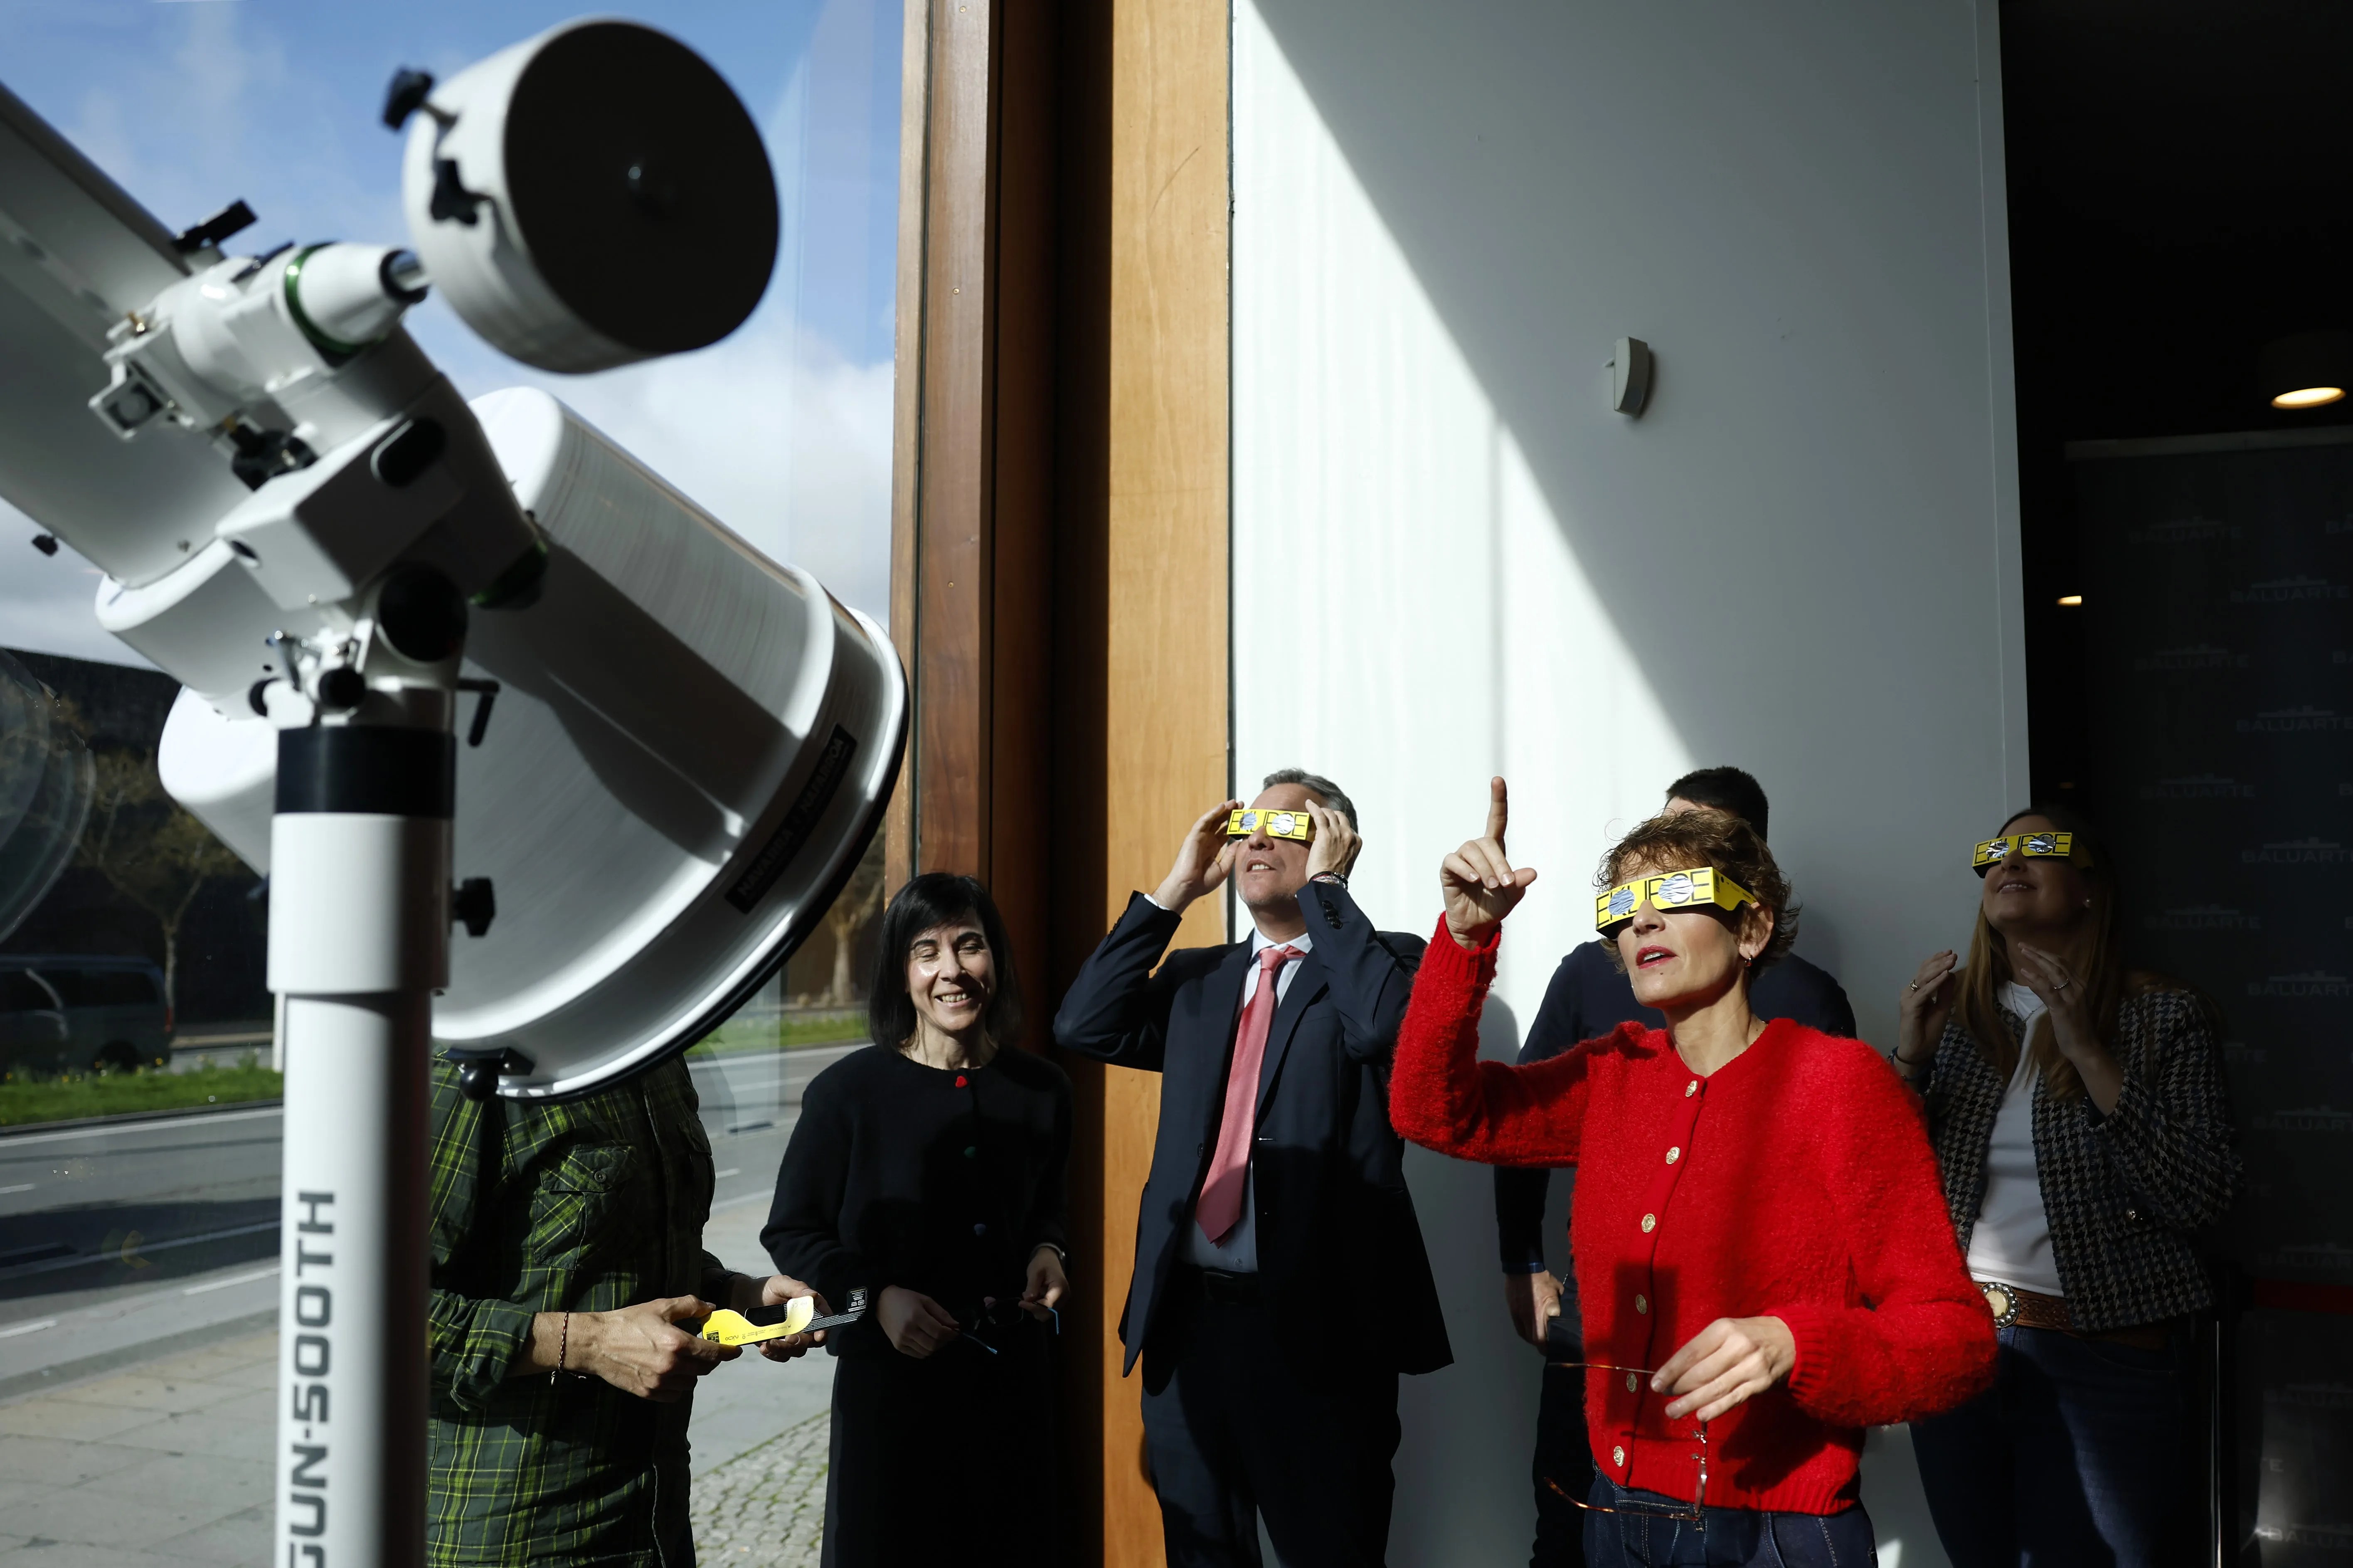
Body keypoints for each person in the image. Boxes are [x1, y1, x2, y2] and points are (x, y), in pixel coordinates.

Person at [1391, 780, 1993, 1566]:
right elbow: (1434, 1111)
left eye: (1675, 892)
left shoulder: (1840, 1083)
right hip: (1615, 1513)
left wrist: (1796, 1343)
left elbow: (1956, 1338)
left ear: (1752, 926)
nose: (1641, 916)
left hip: (1778, 1534)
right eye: (1622, 904)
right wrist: (1465, 941)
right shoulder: (1612, 1073)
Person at [1054, 768, 1450, 1568]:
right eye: (1246, 827)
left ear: (1336, 845)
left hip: (1320, 1338)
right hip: (1188, 1331)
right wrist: (1172, 891)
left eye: (1289, 829)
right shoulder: (1199, 979)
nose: (1257, 839)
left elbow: (1379, 1034)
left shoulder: (1386, 965)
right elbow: (1083, 1023)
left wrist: (1332, 894)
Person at [1493, 767, 1855, 1568]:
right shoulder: (1593, 973)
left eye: (1690, 868)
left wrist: (1805, 1339)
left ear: (1749, 887)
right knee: (1568, 1523)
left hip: (1750, 1363)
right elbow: (1485, 1118)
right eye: (1637, 882)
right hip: (1603, 1316)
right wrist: (1522, 1261)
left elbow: (1892, 1285)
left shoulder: (1817, 1014)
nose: (1651, 902)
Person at [1893, 807, 2238, 1567]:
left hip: (2105, 1358)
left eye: (2040, 847)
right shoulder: (1961, 1019)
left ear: (2089, 888)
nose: (2010, 861)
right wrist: (1910, 1063)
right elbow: (1886, 1193)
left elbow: (2197, 1195)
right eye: (1996, 851)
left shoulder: (2162, 1015)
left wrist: (2084, 1047)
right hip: (1959, 1349)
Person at [764, 872, 1072, 1568]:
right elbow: (793, 1229)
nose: (952, 970)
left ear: (996, 959)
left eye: (970, 945)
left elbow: (1049, 1201)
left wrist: (1050, 1248)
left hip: (1012, 1392)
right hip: (891, 1396)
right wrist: (873, 1299)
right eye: (926, 951)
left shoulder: (1043, 1089)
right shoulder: (846, 1092)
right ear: (900, 973)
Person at [426, 1056, 822, 1566]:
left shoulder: (656, 1055)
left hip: (655, 1520)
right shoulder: (472, 1064)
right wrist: (590, 1342)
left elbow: (613, 1248)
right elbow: (366, 1317)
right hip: (519, 1532)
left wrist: (734, 1293)